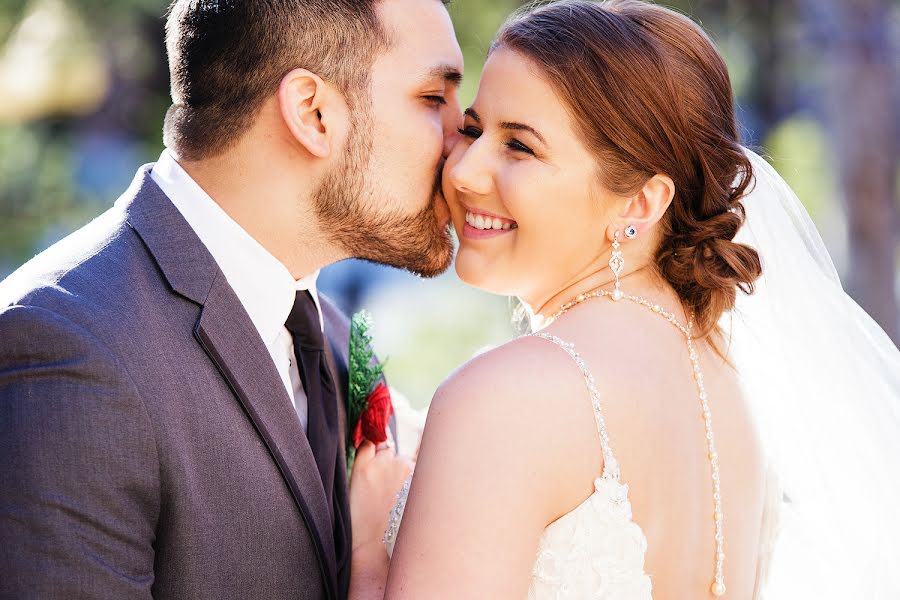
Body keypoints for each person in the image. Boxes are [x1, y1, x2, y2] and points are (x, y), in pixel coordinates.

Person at [350, 1, 900, 598]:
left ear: (640, 202)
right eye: (476, 131)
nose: (463, 172)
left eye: (521, 147)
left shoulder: (506, 397)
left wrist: (367, 553)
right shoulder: (727, 392)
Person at [0, 0, 460, 598]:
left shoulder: (331, 334)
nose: (466, 139)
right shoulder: (67, 346)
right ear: (312, 112)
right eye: (433, 98)